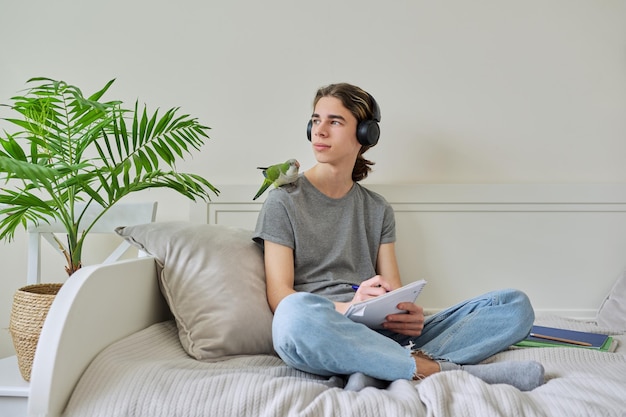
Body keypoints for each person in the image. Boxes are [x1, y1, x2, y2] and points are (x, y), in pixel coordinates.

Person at [253, 82, 544, 391]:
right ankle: (429, 369)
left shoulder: (377, 209)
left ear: (365, 135)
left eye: (334, 121)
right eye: (315, 120)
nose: (319, 131)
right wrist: (349, 306)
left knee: (514, 305)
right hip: (322, 326)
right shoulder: (284, 200)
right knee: (291, 316)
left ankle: (378, 367)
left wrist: (405, 314)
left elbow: (393, 290)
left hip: (379, 332)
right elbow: (280, 296)